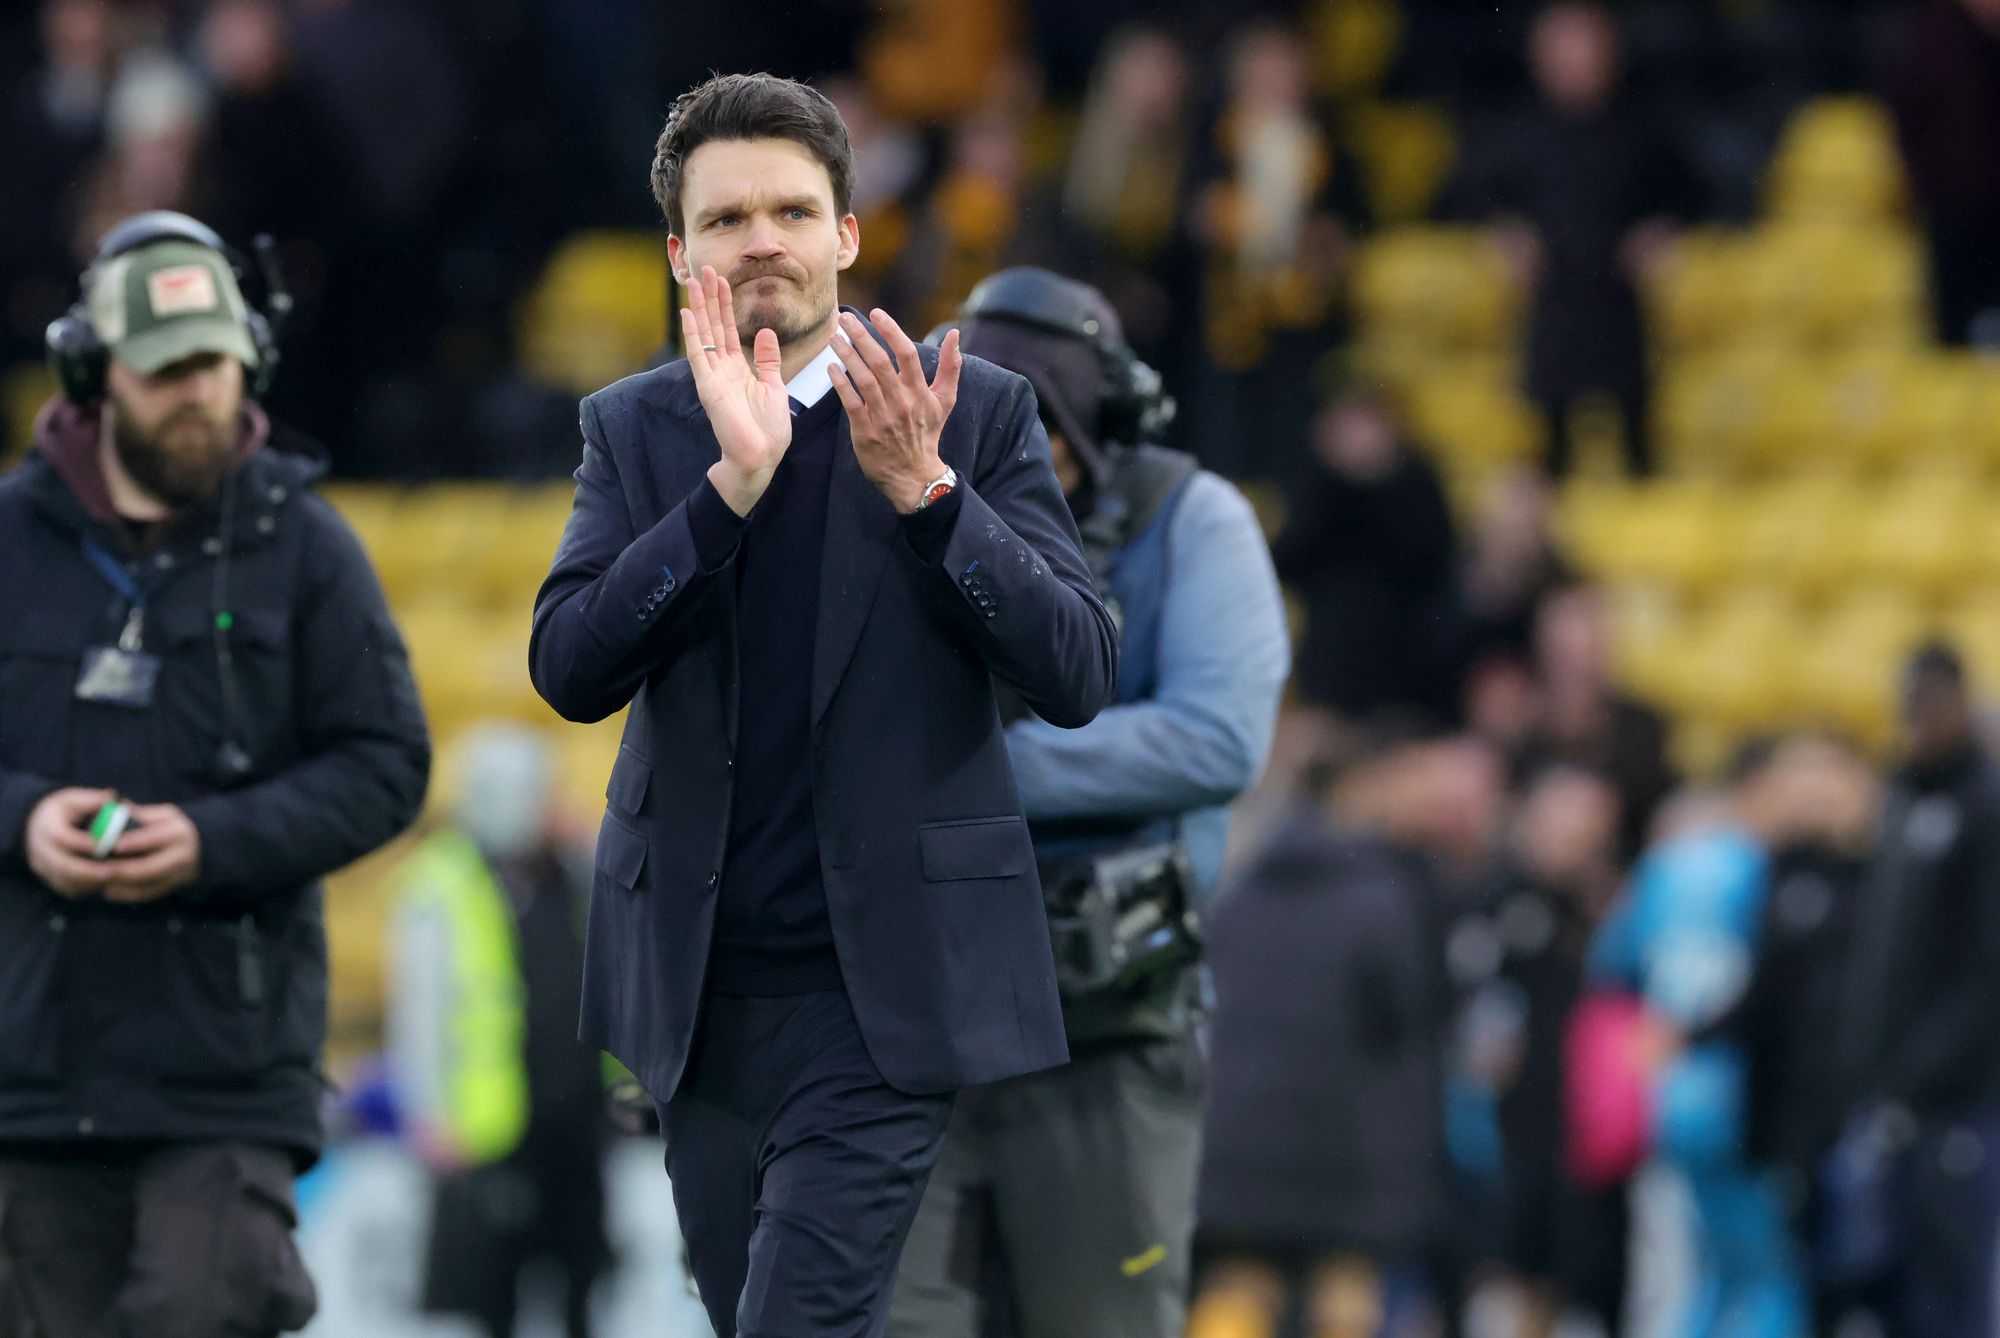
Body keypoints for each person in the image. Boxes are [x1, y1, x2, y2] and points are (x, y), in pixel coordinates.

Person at [528, 74, 1116, 1338]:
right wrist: (723, 496)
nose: (762, 242)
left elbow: (1076, 672)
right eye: (726, 219)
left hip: (884, 1002)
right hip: (695, 1002)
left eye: (791, 212)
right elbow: (569, 667)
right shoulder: (634, 431)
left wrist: (933, 497)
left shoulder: (972, 410)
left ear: (846, 235)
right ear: (679, 254)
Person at [0, 210, 430, 1337]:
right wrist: (24, 817)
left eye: (215, 363)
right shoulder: (7, 541)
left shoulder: (311, 548)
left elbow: (388, 764)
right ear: (93, 373)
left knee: (205, 1302)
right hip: (30, 1071)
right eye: (164, 370)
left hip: (227, 1072)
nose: (197, 392)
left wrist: (209, 842)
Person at [885, 268, 1290, 1338]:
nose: (1001, 464)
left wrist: (954, 777)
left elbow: (1217, 738)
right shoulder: (903, 508)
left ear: (1095, 425)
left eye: (1033, 438)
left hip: (1099, 1027)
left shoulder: (1192, 521)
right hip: (913, 1020)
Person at [1190, 732, 1501, 1338]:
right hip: (1349, 1157)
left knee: (1240, 1283)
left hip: (1236, 1148)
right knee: (1345, 1289)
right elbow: (1413, 1016)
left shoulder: (1247, 884)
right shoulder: (1386, 894)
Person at [1587, 739, 1831, 1338]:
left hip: (1669, 1096)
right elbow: (1776, 989)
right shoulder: (1763, 872)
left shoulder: (1667, 867)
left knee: (1705, 1274)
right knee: (1769, 1275)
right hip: (1742, 1097)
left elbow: (1610, 964)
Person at [391, 724, 612, 1338]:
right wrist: (430, 1109)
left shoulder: (572, 871)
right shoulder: (443, 877)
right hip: (492, 1122)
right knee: (493, 1291)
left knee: (582, 1279)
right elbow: (420, 1007)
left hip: (575, 1115)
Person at [1836, 644, 2000, 1338]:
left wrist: (1918, 1069)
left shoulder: (1983, 810)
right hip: (1896, 1097)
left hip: (1960, 1100)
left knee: (1953, 1288)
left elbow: (1986, 972)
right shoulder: (1899, 802)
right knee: (1893, 1288)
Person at [1457, 0, 1695, 476]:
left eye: (1588, 42)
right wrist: (1504, 231)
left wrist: (1662, 230)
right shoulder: (1514, 132)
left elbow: (1691, 193)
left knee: (1637, 439)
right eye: (1564, 43)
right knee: (1549, 444)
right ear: (1539, 54)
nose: (1578, 57)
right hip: (1550, 304)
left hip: (1621, 301)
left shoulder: (1642, 127)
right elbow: (1469, 196)